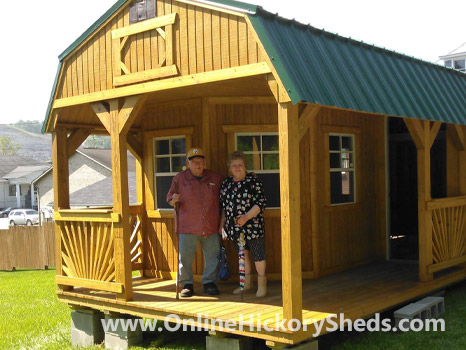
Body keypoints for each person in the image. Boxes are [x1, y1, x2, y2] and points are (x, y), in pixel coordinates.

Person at [166, 147, 223, 297]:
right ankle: (186, 284)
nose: (198, 165)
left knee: (212, 256)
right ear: (188, 163)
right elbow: (170, 198)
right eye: (195, 162)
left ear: (204, 162)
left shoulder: (215, 178)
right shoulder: (179, 179)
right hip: (187, 226)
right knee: (185, 258)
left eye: (201, 162)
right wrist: (173, 200)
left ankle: (209, 282)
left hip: (210, 225)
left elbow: (228, 190)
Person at [219, 151, 268, 297]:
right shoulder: (226, 184)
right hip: (235, 228)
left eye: (240, 165)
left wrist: (246, 217)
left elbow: (261, 203)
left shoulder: (253, 181)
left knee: (258, 254)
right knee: (243, 254)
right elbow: (223, 206)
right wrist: (222, 225)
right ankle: (245, 284)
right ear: (229, 167)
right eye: (234, 165)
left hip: (253, 226)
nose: (237, 168)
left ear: (245, 166)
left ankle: (262, 285)